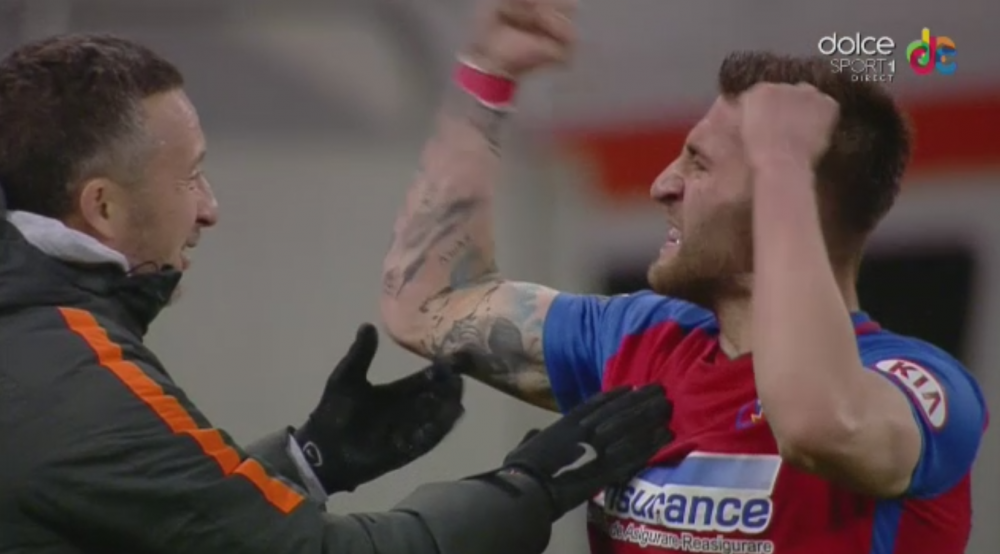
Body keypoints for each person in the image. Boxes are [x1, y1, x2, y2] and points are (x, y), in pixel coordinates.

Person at [0, 33, 675, 554]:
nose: (209, 209)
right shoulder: (77, 379)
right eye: (191, 176)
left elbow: (162, 520)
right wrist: (529, 486)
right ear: (103, 207)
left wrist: (310, 458)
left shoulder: (35, 347)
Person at [378, 0, 988, 552]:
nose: (662, 184)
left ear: (791, 196)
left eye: (698, 163)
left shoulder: (916, 386)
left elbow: (815, 424)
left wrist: (782, 159)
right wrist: (486, 74)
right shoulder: (637, 340)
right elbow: (428, 303)